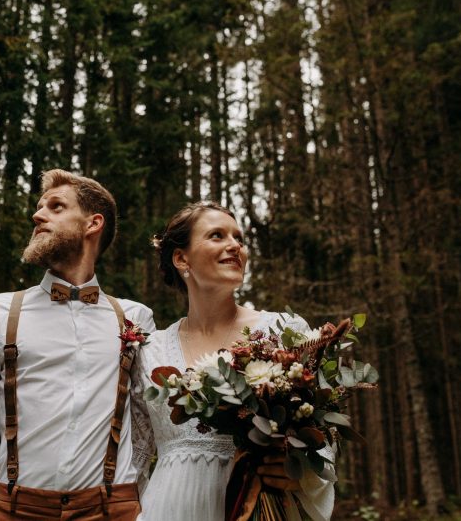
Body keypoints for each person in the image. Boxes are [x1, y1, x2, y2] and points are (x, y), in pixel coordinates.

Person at [0, 169, 155, 520]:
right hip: (14, 509)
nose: (38, 216)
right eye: (40, 208)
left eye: (56, 207)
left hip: (112, 511)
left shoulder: (135, 319)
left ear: (93, 223)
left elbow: (150, 429)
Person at [131, 201, 334, 521]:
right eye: (217, 235)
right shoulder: (150, 351)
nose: (235, 246)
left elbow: (322, 441)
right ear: (181, 258)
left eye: (239, 238)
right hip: (169, 507)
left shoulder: (284, 333)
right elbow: (136, 454)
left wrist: (300, 472)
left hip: (257, 506)